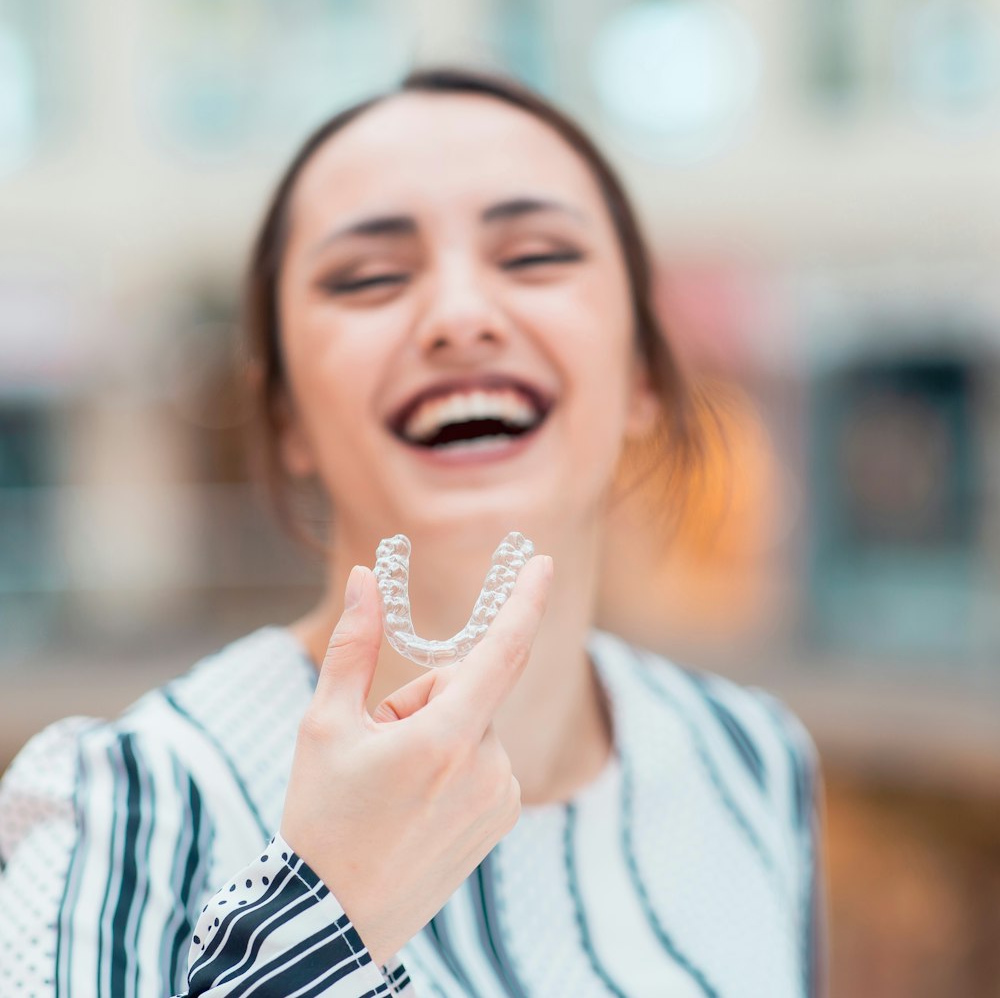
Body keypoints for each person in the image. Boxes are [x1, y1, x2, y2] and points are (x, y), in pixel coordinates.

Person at [0, 67, 825, 997]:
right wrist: (329, 911)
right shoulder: (123, 805)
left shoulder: (752, 759)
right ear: (287, 415)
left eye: (537, 257)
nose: (460, 318)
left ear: (641, 370)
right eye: (370, 277)